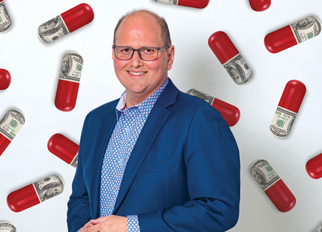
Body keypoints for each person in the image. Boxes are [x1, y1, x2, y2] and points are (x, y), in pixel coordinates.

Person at [67, 9, 240, 232]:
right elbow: (81, 198)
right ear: (113, 54)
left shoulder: (200, 119)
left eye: (148, 51)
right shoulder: (96, 120)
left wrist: (131, 225)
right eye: (125, 50)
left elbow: (219, 209)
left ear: (170, 56)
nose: (135, 62)